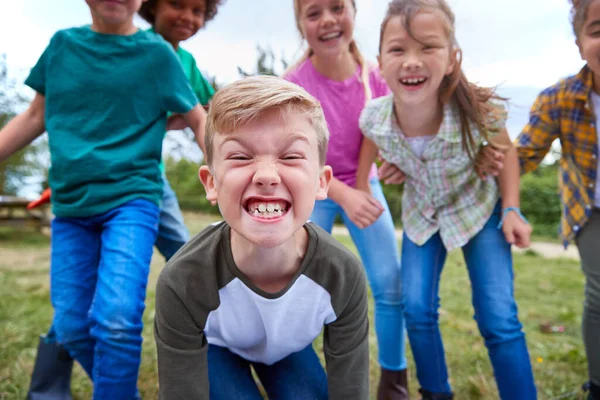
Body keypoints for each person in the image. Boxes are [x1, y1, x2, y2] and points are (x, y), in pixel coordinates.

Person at [0, 0, 207, 397]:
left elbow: (198, 116)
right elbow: (33, 116)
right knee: (73, 326)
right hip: (72, 207)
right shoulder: (62, 46)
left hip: (132, 200)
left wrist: (225, 172)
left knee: (115, 320)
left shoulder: (157, 55)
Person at [356, 0, 537, 398]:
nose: (412, 61)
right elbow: (367, 159)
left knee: (498, 317)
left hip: (479, 210)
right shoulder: (374, 117)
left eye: (428, 47)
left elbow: (505, 156)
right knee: (417, 309)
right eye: (398, 49)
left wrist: (511, 209)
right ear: (380, 62)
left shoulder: (478, 111)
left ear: (453, 58)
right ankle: (436, 392)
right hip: (424, 215)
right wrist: (364, 188)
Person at [154, 75, 370, 400]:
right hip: (215, 347)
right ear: (211, 182)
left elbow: (350, 391)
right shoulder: (183, 278)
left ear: (322, 182)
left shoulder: (342, 274)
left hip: (287, 350)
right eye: (240, 156)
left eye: (291, 156)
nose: (267, 176)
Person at [284, 1, 409, 397]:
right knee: (296, 282)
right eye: (313, 13)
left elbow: (386, 136)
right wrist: (342, 192)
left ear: (354, 12)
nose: (327, 21)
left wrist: (392, 165)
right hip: (312, 187)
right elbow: (298, 156)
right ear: (301, 24)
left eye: (337, 8)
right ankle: (298, 373)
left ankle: (394, 380)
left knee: (390, 285)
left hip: (362, 183)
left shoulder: (376, 78)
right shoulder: (294, 84)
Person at [478, 1, 600, 398]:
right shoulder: (560, 98)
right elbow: (522, 154)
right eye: (597, 30)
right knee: (599, 292)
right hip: (592, 211)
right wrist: (482, 157)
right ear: (580, 44)